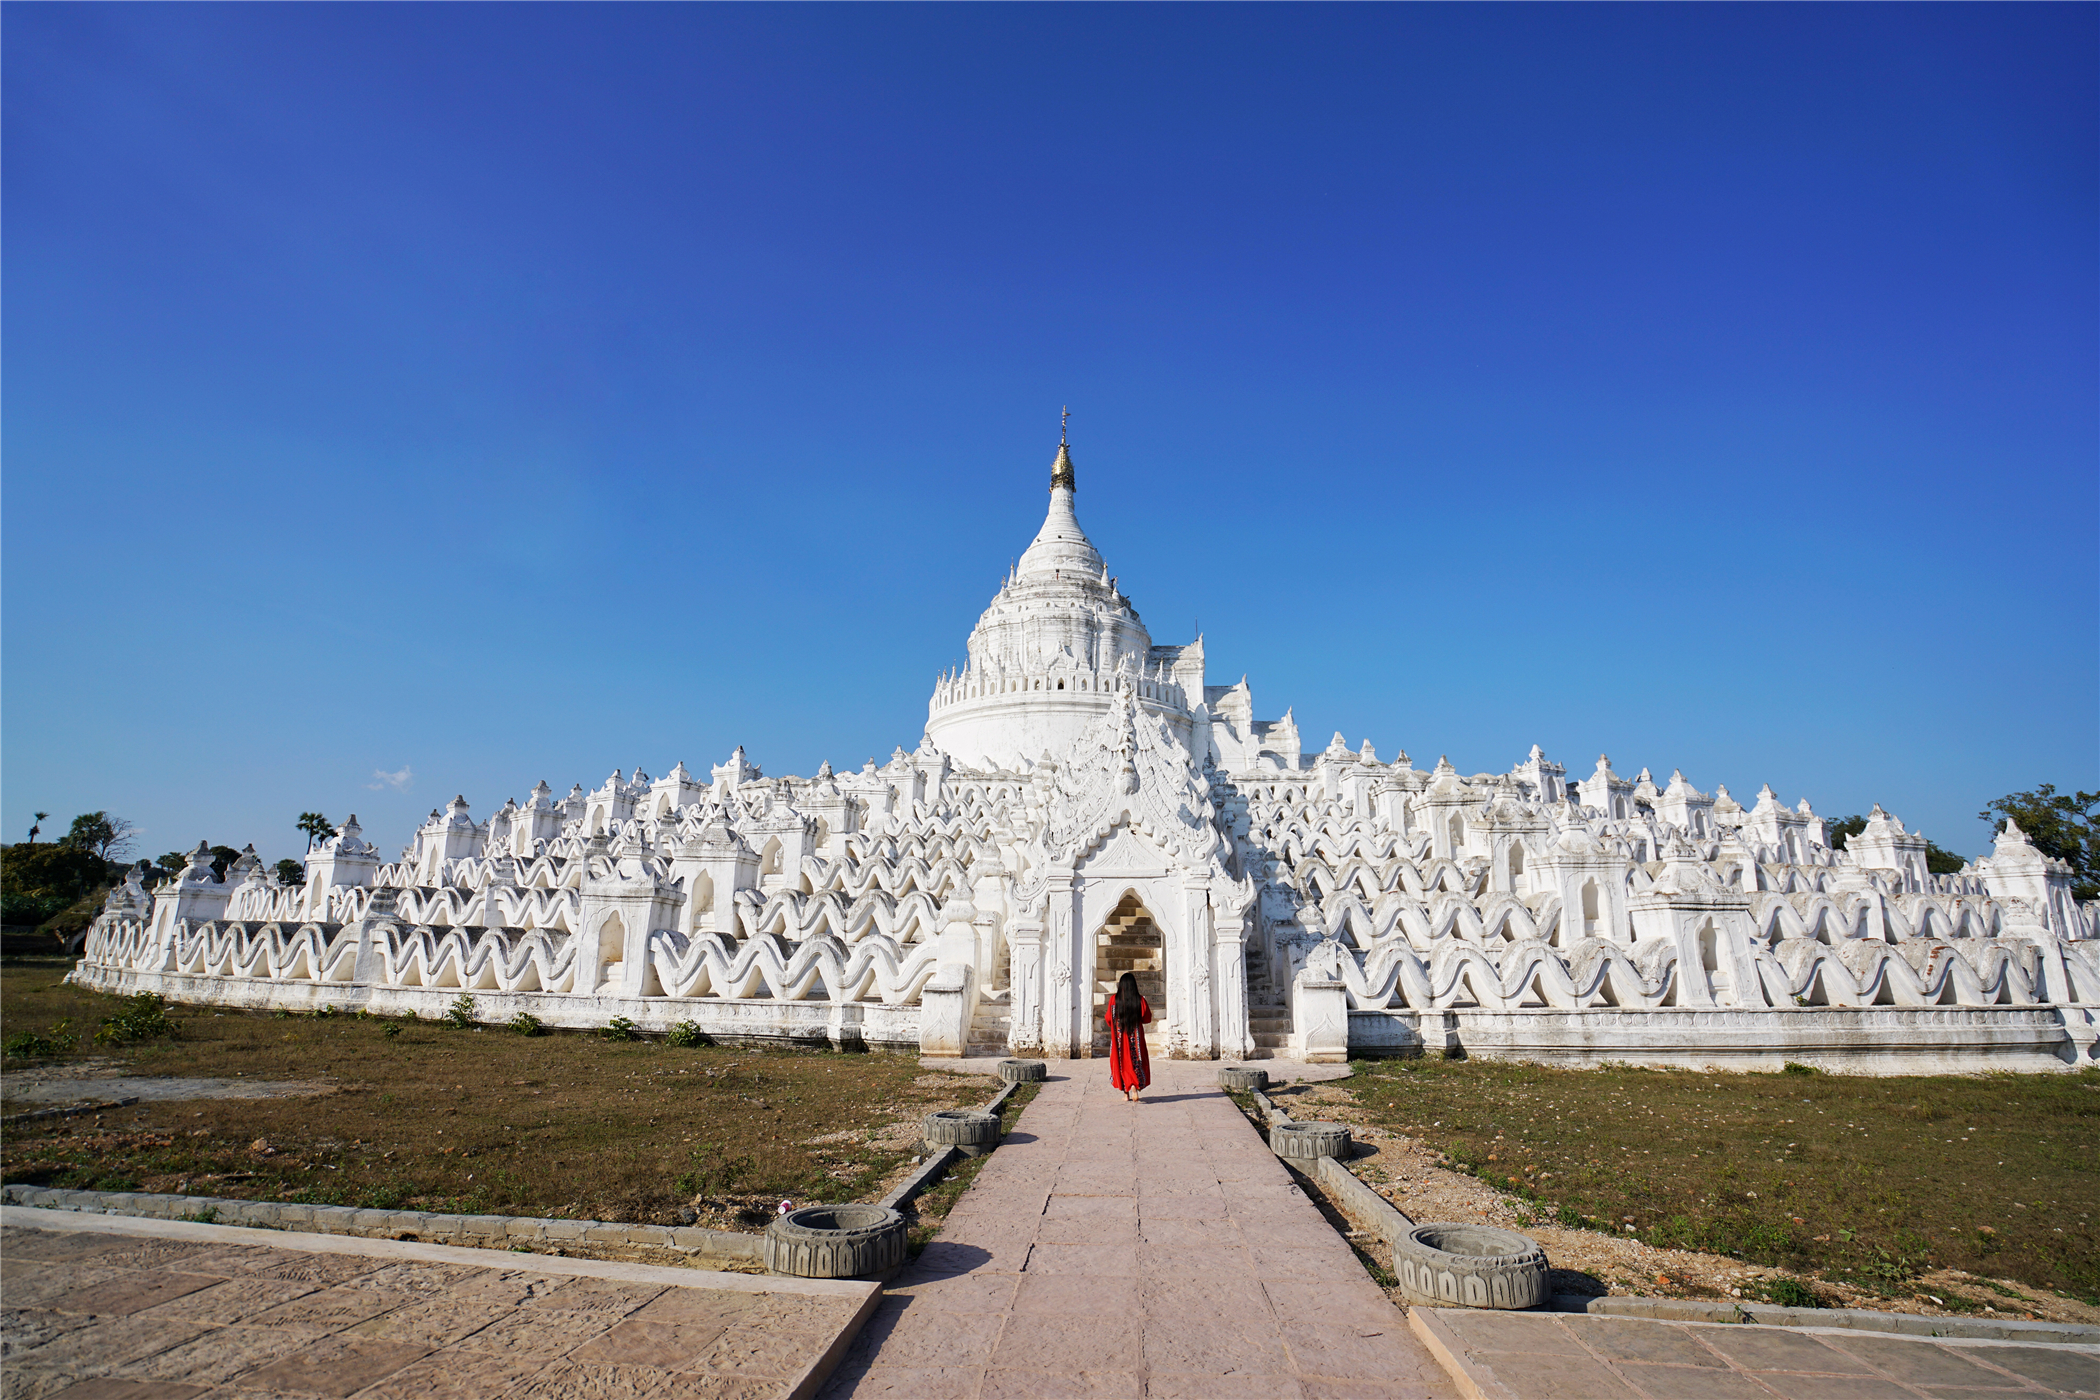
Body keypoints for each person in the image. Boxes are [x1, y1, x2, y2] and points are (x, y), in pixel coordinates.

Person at [1106, 971, 1151, 1102]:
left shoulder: (1114, 1000)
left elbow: (1109, 1018)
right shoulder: (1140, 1000)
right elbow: (1146, 1017)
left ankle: (1126, 1094)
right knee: (1136, 1061)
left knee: (1121, 1062)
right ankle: (1134, 1087)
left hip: (1119, 1039)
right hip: (1135, 1038)